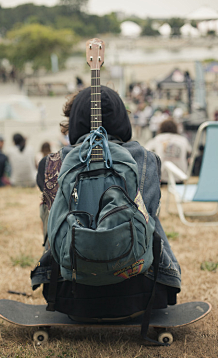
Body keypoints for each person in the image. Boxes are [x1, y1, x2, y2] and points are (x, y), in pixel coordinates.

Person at [33, 86, 181, 319]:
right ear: (122, 118)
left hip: (67, 295)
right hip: (142, 293)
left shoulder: (50, 163)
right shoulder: (148, 160)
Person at [145, 118, 192, 183]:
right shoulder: (183, 140)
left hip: (162, 178)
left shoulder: (157, 139)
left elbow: (145, 152)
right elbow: (190, 152)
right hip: (180, 177)